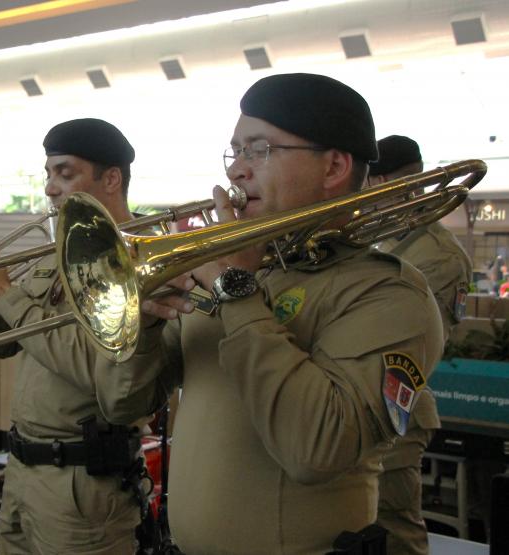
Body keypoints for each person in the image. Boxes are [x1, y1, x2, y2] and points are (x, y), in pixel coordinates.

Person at [95, 74, 444, 554]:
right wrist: (147, 321)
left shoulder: (386, 290)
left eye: (258, 150)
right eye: (234, 152)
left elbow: (317, 450)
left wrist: (237, 294)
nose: (236, 170)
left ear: (334, 166)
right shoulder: (235, 270)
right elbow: (122, 406)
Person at [0, 118, 144, 554]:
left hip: (81, 482)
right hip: (22, 469)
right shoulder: (57, 252)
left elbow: (99, 367)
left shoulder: (139, 257)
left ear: (111, 178)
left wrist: (6, 297)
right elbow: (2, 346)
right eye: (48, 174)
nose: (50, 188)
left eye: (65, 172)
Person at [368, 135, 472, 555]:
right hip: (351, 399)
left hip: (396, 409)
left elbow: (409, 345)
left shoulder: (437, 255)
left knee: (393, 529)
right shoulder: (376, 235)